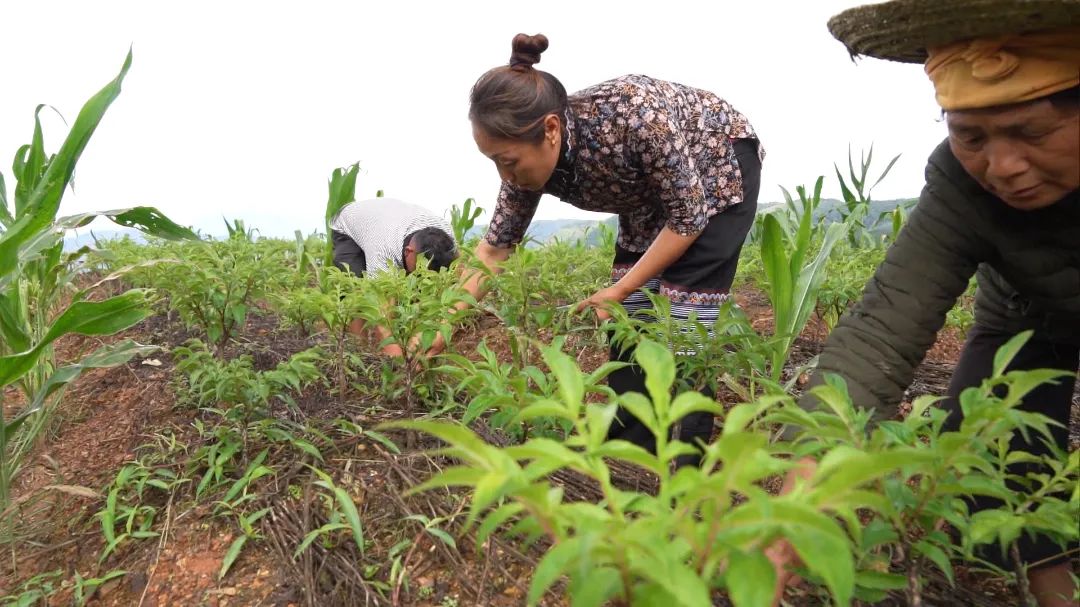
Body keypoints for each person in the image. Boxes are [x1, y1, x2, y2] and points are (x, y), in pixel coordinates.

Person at [768, 2, 1080, 605]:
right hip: (1026, 315)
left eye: (1033, 133)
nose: (1003, 167)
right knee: (996, 453)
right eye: (971, 137)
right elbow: (881, 331)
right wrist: (801, 500)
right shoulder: (960, 186)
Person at [428, 33, 764, 466]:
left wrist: (619, 290)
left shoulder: (634, 116)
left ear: (550, 129)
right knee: (628, 323)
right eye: (494, 161)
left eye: (508, 161)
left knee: (685, 321)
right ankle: (632, 460)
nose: (505, 175)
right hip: (648, 195)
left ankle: (688, 474)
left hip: (716, 167)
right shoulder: (526, 166)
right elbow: (493, 251)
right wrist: (437, 329)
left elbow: (687, 219)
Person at [330, 197, 458, 355]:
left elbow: (457, 272)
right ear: (408, 252)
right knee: (355, 292)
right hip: (349, 224)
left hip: (390, 219)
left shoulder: (447, 235)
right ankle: (360, 353)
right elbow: (382, 314)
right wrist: (400, 361)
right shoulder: (383, 251)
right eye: (422, 268)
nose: (426, 276)